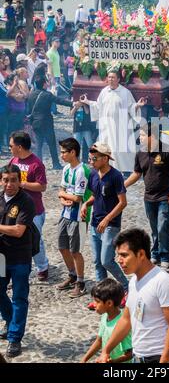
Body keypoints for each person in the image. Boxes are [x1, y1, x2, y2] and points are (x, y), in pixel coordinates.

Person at [98, 228, 169, 364]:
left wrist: (164, 361)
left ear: (141, 254)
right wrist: (106, 350)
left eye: (124, 255)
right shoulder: (133, 282)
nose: (119, 260)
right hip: (138, 358)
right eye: (118, 255)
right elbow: (126, 320)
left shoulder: (162, 281)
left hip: (159, 358)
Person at [124, 123, 169, 270]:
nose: (140, 138)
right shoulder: (140, 153)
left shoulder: (168, 150)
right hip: (149, 197)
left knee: (163, 226)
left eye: (142, 135)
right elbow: (136, 174)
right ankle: (155, 253)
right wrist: (122, 185)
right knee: (155, 228)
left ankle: (166, 257)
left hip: (165, 197)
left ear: (152, 136)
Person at [80, 142, 129, 306]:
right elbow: (96, 195)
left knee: (107, 260)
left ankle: (126, 287)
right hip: (95, 223)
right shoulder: (93, 174)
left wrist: (107, 218)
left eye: (94, 158)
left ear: (105, 158)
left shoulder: (116, 176)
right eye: (90, 158)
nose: (91, 162)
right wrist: (86, 204)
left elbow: (122, 202)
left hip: (111, 224)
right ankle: (100, 297)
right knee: (97, 261)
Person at [80, 69, 147, 173]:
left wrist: (137, 105)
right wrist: (87, 102)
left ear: (118, 79)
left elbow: (131, 107)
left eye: (113, 77)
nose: (110, 79)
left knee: (120, 148)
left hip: (120, 126)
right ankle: (108, 167)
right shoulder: (104, 91)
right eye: (109, 77)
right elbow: (98, 106)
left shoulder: (125, 92)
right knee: (107, 147)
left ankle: (124, 169)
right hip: (106, 126)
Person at [0, 164, 36, 358]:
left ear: (19, 181)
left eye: (14, 180)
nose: (9, 184)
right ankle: (10, 319)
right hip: (1, 257)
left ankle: (15, 338)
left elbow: (18, 230)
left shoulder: (26, 201)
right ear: (1, 180)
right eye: (6, 180)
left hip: (20, 257)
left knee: (19, 298)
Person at [9, 131, 49, 281]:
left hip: (34, 210)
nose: (10, 148)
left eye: (11, 145)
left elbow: (42, 186)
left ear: (19, 147)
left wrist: (22, 184)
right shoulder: (13, 160)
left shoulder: (36, 163)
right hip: (15, 208)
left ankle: (43, 267)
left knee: (35, 239)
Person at [57, 138, 90, 298]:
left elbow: (77, 198)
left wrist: (63, 195)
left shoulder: (82, 170)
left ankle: (81, 282)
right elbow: (61, 191)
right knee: (62, 247)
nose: (61, 155)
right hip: (65, 213)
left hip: (79, 217)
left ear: (73, 152)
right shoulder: (66, 169)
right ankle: (72, 275)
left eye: (64, 152)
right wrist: (63, 198)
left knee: (75, 250)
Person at [80, 279, 133, 363]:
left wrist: (114, 361)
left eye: (97, 301)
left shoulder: (122, 324)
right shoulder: (105, 316)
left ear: (109, 303)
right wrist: (84, 359)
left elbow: (131, 353)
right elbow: (99, 340)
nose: (94, 304)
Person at [27, 75, 73, 169]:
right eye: (47, 82)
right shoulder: (47, 95)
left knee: (38, 144)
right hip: (46, 122)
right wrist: (73, 104)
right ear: (44, 84)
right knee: (51, 144)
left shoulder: (31, 94)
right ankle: (55, 164)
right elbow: (60, 101)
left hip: (35, 122)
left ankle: (38, 165)